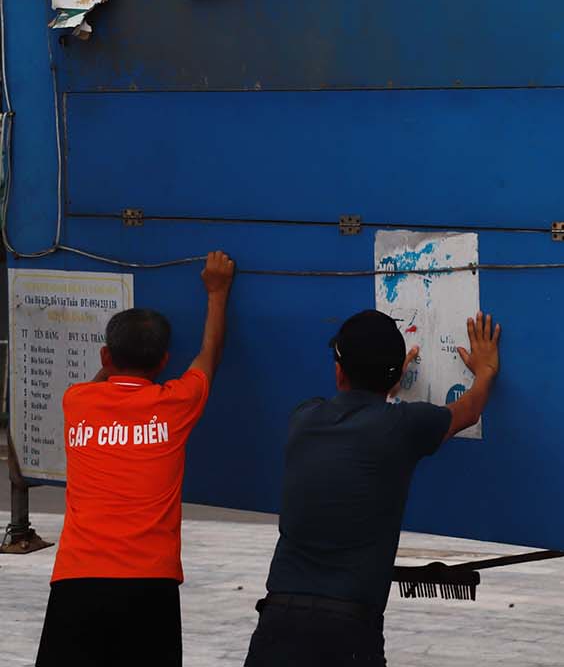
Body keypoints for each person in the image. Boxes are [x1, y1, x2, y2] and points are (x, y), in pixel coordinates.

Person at [243, 310, 502, 667]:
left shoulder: (303, 418)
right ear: (394, 375)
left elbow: (363, 414)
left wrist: (386, 384)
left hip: (280, 617)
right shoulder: (407, 426)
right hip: (349, 627)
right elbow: (470, 409)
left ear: (338, 372)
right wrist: (486, 369)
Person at [36, 250, 237, 667]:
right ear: (164, 362)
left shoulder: (78, 401)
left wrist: (109, 365)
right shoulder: (177, 403)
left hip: (77, 582)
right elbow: (209, 355)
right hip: (151, 585)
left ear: (106, 358)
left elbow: (100, 381)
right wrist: (217, 292)